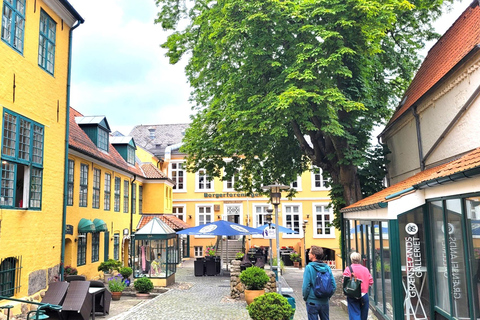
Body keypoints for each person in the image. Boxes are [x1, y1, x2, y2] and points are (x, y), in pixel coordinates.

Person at [302, 245, 336, 320]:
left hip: (312, 301)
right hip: (324, 302)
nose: (308, 254)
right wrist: (327, 296)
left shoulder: (309, 268)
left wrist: (306, 297)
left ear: (314, 255)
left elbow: (306, 286)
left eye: (310, 253)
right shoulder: (327, 267)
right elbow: (333, 285)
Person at [343, 252, 373, 320]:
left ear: (351, 259)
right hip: (364, 294)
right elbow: (371, 281)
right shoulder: (365, 269)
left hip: (352, 294)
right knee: (364, 315)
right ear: (359, 259)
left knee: (354, 314)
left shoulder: (348, 269)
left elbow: (344, 281)